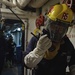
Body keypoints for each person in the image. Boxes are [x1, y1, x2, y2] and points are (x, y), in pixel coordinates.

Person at [24, 4, 75, 75]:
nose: (57, 30)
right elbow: (27, 64)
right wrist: (39, 50)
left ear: (66, 29)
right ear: (48, 24)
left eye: (61, 28)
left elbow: (73, 65)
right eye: (54, 25)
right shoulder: (36, 40)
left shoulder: (67, 45)